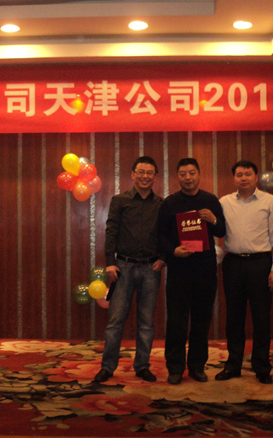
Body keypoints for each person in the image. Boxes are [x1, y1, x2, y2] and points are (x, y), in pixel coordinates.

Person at [94, 156, 165, 383]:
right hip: (122, 268)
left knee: (146, 322)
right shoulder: (119, 201)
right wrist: (110, 262)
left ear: (155, 177)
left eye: (149, 173)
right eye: (140, 172)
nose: (145, 176)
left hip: (151, 269)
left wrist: (163, 259)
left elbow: (167, 234)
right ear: (132, 174)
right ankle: (107, 367)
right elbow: (111, 231)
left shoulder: (161, 203)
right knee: (115, 322)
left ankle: (142, 366)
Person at [158, 158, 226, 385]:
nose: (188, 177)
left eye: (192, 173)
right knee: (176, 321)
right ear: (178, 176)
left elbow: (222, 230)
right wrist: (173, 251)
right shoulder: (170, 203)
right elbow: (160, 235)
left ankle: (197, 367)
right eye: (183, 174)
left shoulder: (210, 200)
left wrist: (213, 219)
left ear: (199, 174)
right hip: (179, 270)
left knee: (201, 320)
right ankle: (175, 368)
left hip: (205, 269)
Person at [216, 160, 273, 384]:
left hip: (260, 264)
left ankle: (262, 366)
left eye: (248, 174)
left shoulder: (270, 201)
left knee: (261, 318)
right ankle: (233, 364)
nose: (243, 178)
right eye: (239, 174)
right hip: (233, 264)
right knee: (234, 317)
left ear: (256, 177)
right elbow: (215, 230)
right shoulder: (224, 202)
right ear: (233, 178)